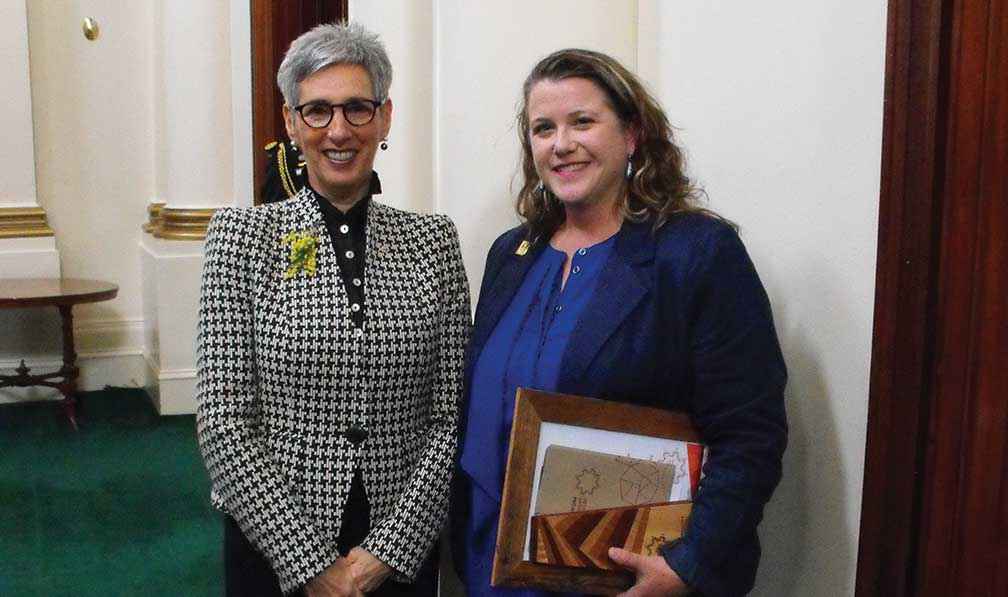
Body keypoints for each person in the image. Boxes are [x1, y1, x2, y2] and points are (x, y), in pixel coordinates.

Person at [452, 49, 787, 597]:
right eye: (543, 128)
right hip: (491, 564)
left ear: (631, 134)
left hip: (623, 577)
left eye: (582, 121)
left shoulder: (696, 253)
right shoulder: (511, 254)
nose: (561, 144)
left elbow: (750, 433)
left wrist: (686, 566)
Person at [196, 22, 471, 597]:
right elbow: (223, 422)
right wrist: (309, 564)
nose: (339, 130)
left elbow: (450, 416)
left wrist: (389, 552)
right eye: (317, 111)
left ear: (385, 118)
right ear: (292, 122)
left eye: (357, 109)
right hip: (273, 542)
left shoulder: (433, 243)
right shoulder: (241, 238)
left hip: (398, 544)